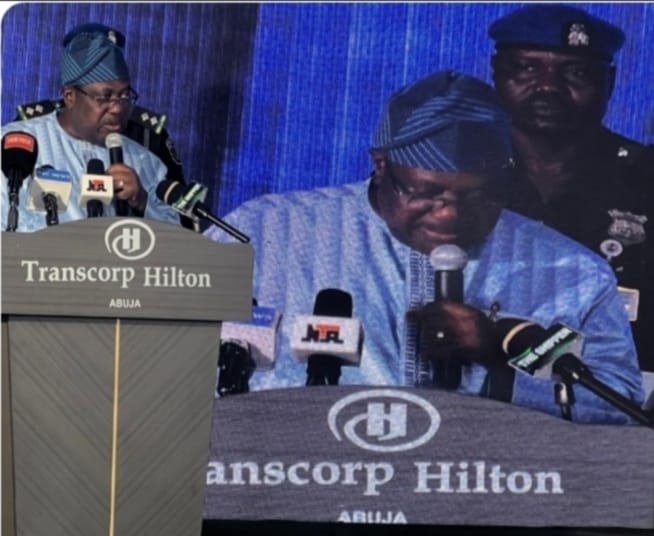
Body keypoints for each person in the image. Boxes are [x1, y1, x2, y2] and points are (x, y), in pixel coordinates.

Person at [204, 70, 644, 424]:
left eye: (480, 196)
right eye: (426, 193)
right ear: (380, 165)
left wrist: (499, 365)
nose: (449, 215)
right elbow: (175, 357)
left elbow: (618, 408)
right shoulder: (263, 233)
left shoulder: (572, 273)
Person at [488, 4, 654, 395]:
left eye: (575, 72)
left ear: (610, 82)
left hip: (626, 399)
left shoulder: (646, 177)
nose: (548, 86)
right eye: (527, 68)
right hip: (481, 393)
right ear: (495, 73)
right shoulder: (457, 176)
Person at [1, 24, 180, 232]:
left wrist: (143, 202)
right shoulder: (16, 146)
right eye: (105, 97)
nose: (117, 108)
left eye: (124, 95)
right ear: (70, 97)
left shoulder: (146, 162)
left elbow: (178, 241)